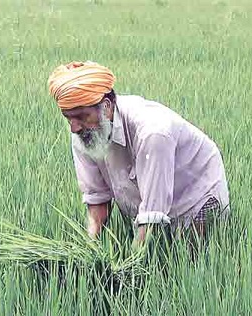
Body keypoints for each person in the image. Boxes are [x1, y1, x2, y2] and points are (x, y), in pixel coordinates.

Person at [47, 61, 230, 257]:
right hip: (147, 196)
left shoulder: (153, 132)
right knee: (159, 256)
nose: (74, 127)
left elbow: (152, 216)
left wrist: (128, 272)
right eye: (68, 118)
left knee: (191, 261)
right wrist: (88, 254)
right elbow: (97, 199)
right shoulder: (83, 133)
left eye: (82, 117)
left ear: (106, 107)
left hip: (195, 196)